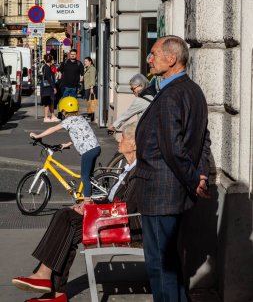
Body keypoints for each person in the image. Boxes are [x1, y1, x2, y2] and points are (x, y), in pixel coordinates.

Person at [12, 123, 139, 302]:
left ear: (133, 144)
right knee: (64, 215)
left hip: (121, 224)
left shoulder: (139, 170)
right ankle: (49, 284)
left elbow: (128, 207)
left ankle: (51, 286)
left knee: (69, 224)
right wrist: (90, 204)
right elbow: (113, 200)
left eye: (123, 137)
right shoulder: (128, 169)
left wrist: (92, 209)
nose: (118, 140)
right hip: (111, 217)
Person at [134, 35, 211, 302]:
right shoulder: (193, 90)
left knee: (161, 266)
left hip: (160, 193)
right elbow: (203, 139)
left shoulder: (171, 95)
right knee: (172, 264)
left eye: (153, 54)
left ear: (171, 59)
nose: (149, 59)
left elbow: (173, 149)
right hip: (174, 191)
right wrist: (200, 175)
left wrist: (194, 179)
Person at [29, 97, 101, 199]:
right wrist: (68, 144)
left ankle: (87, 202)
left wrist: (38, 136)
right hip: (96, 148)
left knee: (84, 177)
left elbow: (53, 128)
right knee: (89, 176)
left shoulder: (68, 121)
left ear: (63, 110)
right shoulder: (80, 118)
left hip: (88, 151)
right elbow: (83, 135)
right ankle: (97, 193)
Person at [40, 54, 60, 123]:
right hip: (48, 87)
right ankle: (46, 117)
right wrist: (54, 87)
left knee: (50, 102)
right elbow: (49, 79)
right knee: (48, 102)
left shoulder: (46, 67)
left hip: (47, 87)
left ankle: (52, 116)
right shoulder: (47, 68)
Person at [83, 56, 97, 121]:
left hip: (90, 87)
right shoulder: (87, 68)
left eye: (86, 61)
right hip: (87, 87)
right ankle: (90, 114)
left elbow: (92, 78)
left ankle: (91, 115)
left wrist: (92, 87)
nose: (85, 62)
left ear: (90, 62)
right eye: (84, 61)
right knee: (89, 102)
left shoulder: (92, 69)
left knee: (91, 102)